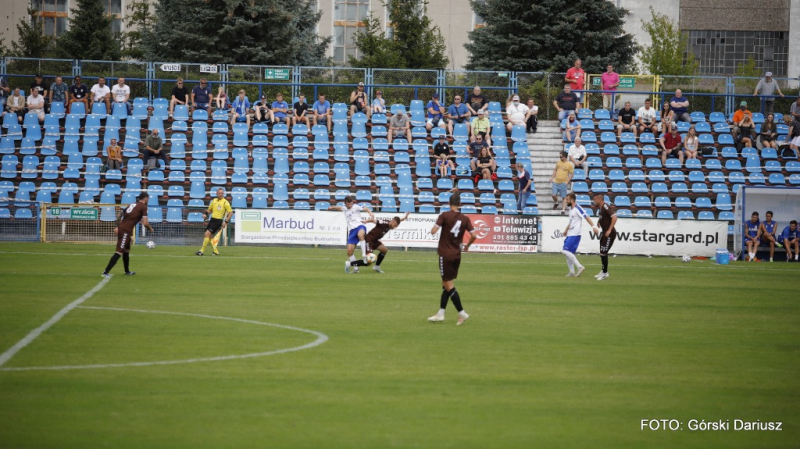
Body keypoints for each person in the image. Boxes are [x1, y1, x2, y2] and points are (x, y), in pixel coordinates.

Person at [428, 194, 477, 325]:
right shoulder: (465, 218)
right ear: (459, 204)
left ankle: (462, 312)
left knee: (448, 285)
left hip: (445, 254)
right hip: (456, 255)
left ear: (449, 203)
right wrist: (467, 246)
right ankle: (441, 313)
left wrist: (433, 229)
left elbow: (433, 231)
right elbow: (474, 235)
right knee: (445, 284)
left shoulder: (444, 215)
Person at [102, 192, 153, 277]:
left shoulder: (132, 204)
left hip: (125, 229)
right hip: (125, 231)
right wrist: (150, 229)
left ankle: (127, 271)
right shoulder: (143, 207)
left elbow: (119, 214)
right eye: (148, 198)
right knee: (119, 251)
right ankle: (105, 272)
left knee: (126, 251)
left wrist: (118, 226)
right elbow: (145, 223)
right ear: (146, 198)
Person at [330, 196, 374, 274]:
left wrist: (370, 213)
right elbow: (339, 208)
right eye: (348, 204)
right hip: (352, 231)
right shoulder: (344, 208)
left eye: (351, 204)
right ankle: (356, 269)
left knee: (360, 235)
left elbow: (366, 208)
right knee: (349, 252)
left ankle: (364, 254)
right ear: (345, 203)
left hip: (360, 226)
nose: (350, 206)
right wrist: (332, 207)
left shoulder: (356, 206)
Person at [562, 193, 596, 277]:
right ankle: (572, 271)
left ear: (572, 200)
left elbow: (586, 217)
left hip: (576, 234)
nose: (566, 201)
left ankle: (580, 267)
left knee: (565, 251)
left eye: (567, 199)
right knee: (568, 253)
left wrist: (593, 226)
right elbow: (570, 222)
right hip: (570, 233)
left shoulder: (578, 208)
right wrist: (566, 230)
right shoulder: (571, 210)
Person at [196, 188, 233, 256]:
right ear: (216, 194)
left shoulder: (225, 202)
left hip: (218, 221)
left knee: (207, 234)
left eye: (222, 193)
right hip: (212, 220)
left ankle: (201, 251)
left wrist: (226, 221)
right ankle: (215, 251)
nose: (221, 194)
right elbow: (210, 210)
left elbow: (231, 212)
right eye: (219, 193)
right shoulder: (214, 201)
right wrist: (205, 214)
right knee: (209, 236)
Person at [593, 192, 617, 281]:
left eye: (595, 199)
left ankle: (605, 273)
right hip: (604, 232)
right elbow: (604, 217)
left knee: (603, 252)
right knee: (602, 252)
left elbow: (614, 217)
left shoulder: (606, 206)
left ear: (599, 199)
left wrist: (609, 230)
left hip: (609, 233)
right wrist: (599, 221)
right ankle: (603, 271)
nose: (593, 201)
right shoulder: (601, 208)